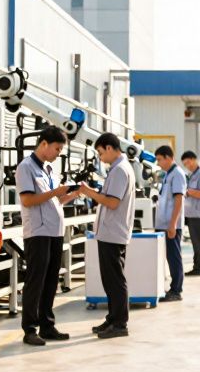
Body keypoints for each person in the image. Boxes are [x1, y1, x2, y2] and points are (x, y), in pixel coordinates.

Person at [16, 126, 94, 346]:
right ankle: (30, 329)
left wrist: (73, 194)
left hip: (54, 231)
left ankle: (47, 325)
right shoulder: (26, 168)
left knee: (51, 281)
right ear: (44, 144)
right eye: (57, 148)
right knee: (36, 281)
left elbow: (54, 201)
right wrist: (55, 192)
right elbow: (28, 200)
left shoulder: (49, 169)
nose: (59, 153)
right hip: (38, 232)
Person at [85, 132, 136, 339]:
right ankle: (113, 318)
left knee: (115, 279)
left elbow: (112, 202)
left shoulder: (120, 171)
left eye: (100, 152)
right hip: (111, 232)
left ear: (108, 148)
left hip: (113, 233)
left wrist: (88, 192)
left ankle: (120, 323)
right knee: (110, 278)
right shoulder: (118, 169)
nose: (100, 157)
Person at [154, 145, 186, 302]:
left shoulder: (177, 174)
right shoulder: (168, 174)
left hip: (171, 224)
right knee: (169, 256)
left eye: (160, 159)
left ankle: (176, 290)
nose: (158, 163)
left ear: (168, 157)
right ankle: (173, 287)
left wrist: (173, 224)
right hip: (164, 223)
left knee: (174, 257)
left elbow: (179, 199)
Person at [180, 150, 200, 276]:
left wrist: (188, 191)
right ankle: (196, 266)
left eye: (188, 162)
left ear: (193, 159)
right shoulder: (192, 174)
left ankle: (199, 268)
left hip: (197, 214)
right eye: (185, 164)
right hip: (190, 213)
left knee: (198, 242)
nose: (187, 165)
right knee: (194, 241)